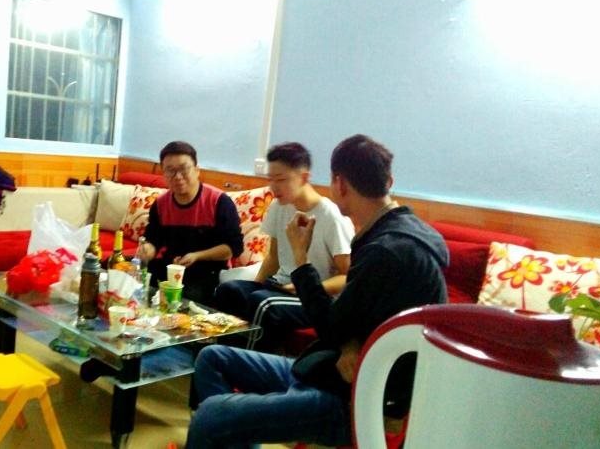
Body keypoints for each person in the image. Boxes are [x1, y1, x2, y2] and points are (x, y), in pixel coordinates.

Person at [185, 134, 449, 448]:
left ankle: (231, 427)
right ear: (389, 181)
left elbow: (330, 326)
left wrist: (301, 259)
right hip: (329, 368)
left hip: (354, 398)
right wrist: (351, 341)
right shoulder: (402, 234)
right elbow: (353, 323)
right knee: (212, 357)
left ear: (339, 184)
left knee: (208, 416)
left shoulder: (387, 250)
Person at [214, 142, 354, 352]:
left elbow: (347, 277)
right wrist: (254, 286)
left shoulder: (330, 215)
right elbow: (273, 258)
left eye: (281, 179)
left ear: (304, 178)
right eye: (271, 179)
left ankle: (243, 362)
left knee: (264, 304)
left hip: (316, 297)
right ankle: (221, 355)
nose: (274, 187)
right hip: (281, 286)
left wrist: (306, 287)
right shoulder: (278, 206)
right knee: (229, 290)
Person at [137, 141, 244, 305]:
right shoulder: (160, 204)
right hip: (172, 266)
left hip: (209, 271)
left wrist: (197, 256)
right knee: (127, 275)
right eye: (170, 170)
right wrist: (147, 250)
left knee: (186, 297)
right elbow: (153, 240)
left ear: (197, 170)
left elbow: (233, 248)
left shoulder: (219, 201)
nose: (177, 176)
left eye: (183, 169)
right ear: (164, 173)